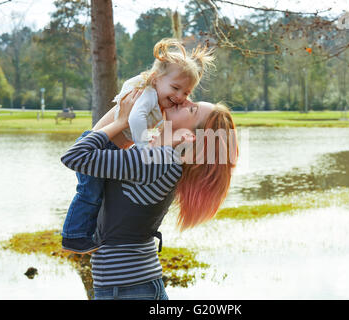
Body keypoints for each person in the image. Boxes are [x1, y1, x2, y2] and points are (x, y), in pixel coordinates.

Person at [60, 89, 238, 300]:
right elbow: (92, 146)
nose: (185, 100)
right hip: (132, 286)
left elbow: (76, 156)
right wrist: (139, 100)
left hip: (127, 290)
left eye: (192, 109)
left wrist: (122, 120)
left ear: (190, 136)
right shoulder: (160, 157)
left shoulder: (158, 162)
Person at [61, 38, 214, 253]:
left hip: (111, 149)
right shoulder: (147, 94)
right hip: (97, 144)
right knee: (89, 194)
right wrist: (142, 145)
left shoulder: (161, 110)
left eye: (186, 93)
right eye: (176, 88)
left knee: (97, 196)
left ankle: (87, 233)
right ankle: (73, 236)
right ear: (155, 78)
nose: (180, 97)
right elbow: (134, 119)